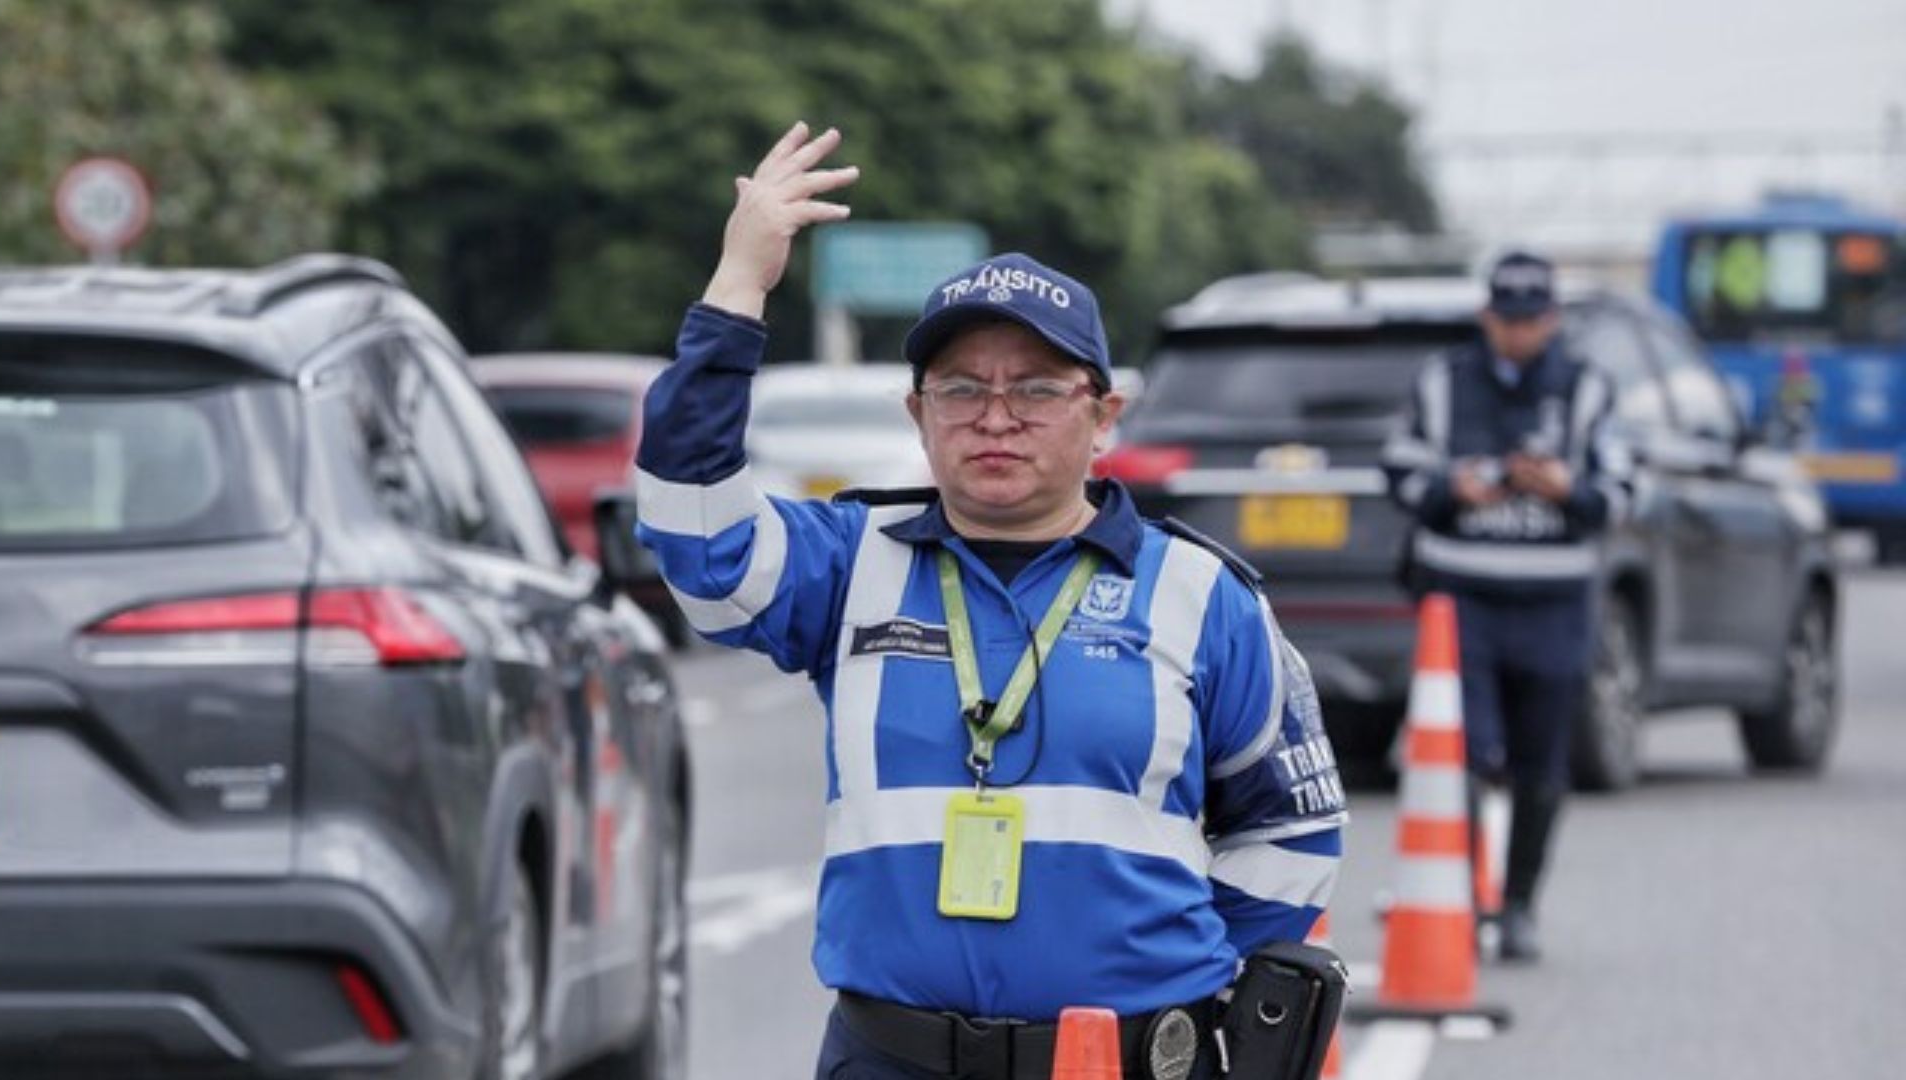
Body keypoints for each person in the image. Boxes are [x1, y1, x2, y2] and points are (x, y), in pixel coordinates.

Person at [634, 121, 1347, 1079]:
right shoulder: (848, 562)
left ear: (1103, 416)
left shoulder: (1201, 593)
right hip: (890, 1058)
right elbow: (691, 531)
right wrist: (738, 288)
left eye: (1038, 389)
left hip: (1123, 1063)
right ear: (916, 413)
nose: (996, 417)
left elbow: (1293, 828)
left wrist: (1169, 979)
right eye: (961, 387)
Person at [1381, 250, 1632, 962]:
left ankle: (1520, 904)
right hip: (1461, 602)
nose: (1517, 332)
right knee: (1464, 754)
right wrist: (1453, 488)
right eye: (1506, 318)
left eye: (1531, 320)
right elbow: (1397, 471)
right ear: (1487, 316)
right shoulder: (1443, 383)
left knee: (1541, 765)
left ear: (1550, 319)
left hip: (1554, 603)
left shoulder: (1586, 389)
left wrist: (1562, 487)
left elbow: (1621, 493)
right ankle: (1461, 893)